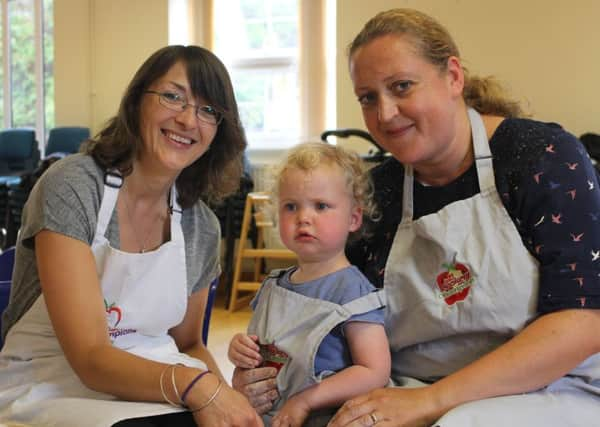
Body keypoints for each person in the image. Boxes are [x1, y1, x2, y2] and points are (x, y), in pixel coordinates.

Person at [235, 8, 600, 427]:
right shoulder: (380, 191)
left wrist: (431, 401)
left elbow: (584, 321)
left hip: (548, 388)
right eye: (368, 98)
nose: (385, 114)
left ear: (454, 77)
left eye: (402, 87)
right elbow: (336, 317)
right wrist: (263, 376)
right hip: (409, 386)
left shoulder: (542, 158)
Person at [0, 45, 262, 427]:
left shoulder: (200, 225)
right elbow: (90, 357)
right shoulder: (74, 187)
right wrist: (199, 388)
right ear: (137, 101)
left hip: (161, 376)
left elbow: (188, 343)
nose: (189, 120)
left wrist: (230, 405)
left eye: (209, 111)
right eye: (174, 97)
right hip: (50, 381)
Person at [228, 142, 390, 427]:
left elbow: (374, 371)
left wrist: (306, 400)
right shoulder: (273, 286)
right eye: (291, 206)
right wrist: (240, 351)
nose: (303, 217)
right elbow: (263, 350)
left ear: (353, 218)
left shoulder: (352, 291)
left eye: (321, 206)